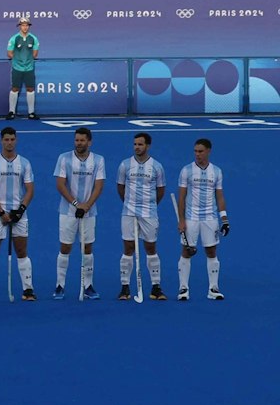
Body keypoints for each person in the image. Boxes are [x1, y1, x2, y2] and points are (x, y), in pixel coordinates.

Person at [0, 126, 37, 300]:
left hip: (19, 215)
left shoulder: (25, 163)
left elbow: (29, 190)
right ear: (1, 140)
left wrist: (20, 211)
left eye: (12, 139)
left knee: (21, 251)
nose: (9, 142)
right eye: (6, 139)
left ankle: (28, 289)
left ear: (16, 140)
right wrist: (1, 212)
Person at [53, 128, 106, 300]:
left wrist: (87, 206)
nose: (79, 143)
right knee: (65, 247)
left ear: (89, 142)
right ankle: (60, 285)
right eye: (76, 140)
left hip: (89, 212)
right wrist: (77, 205)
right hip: (67, 212)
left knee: (87, 248)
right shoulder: (64, 158)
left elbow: (99, 186)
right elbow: (60, 185)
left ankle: (88, 285)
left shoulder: (98, 160)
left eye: (82, 140)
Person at [116, 132, 169, 301]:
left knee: (151, 248)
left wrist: (150, 205)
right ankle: (125, 287)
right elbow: (120, 188)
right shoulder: (125, 165)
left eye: (140, 144)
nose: (137, 147)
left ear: (148, 146)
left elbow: (160, 191)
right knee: (128, 248)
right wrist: (129, 204)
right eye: (135, 144)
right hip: (128, 213)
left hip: (149, 213)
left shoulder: (157, 166)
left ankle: (156, 287)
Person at [176, 137, 227, 301]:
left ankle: (213, 288)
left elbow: (219, 197)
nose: (197, 154)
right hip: (191, 218)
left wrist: (224, 219)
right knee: (186, 251)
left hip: (210, 218)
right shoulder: (186, 170)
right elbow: (181, 197)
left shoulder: (217, 171)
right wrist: (181, 220)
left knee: (211, 251)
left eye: (200, 151)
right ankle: (183, 288)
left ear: (208, 151)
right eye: (195, 151)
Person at [5, 18, 40, 120]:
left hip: (29, 68)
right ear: (19, 26)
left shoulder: (34, 38)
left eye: (27, 25)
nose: (25, 27)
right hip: (17, 68)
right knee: (15, 88)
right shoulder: (14, 38)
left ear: (29, 26)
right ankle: (11, 112)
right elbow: (9, 53)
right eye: (23, 25)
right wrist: (18, 60)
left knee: (30, 88)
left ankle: (31, 113)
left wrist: (27, 61)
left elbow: (35, 54)